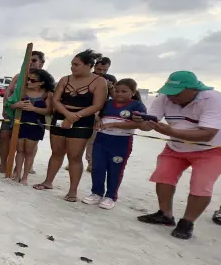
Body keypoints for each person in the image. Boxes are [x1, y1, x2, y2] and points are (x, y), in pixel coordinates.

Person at [137, 71, 221, 240]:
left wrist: (172, 132)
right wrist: (141, 122)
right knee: (163, 176)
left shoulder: (213, 99)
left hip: (211, 149)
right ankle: (165, 215)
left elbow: (207, 134)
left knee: (200, 185)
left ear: (193, 90)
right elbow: (148, 125)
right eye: (169, 91)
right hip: (175, 146)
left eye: (177, 93)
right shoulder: (165, 97)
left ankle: (187, 222)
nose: (171, 96)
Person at [34, 50, 108, 202]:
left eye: (76, 64)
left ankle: (73, 191)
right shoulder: (65, 79)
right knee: (56, 152)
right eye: (72, 64)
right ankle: (48, 182)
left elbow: (98, 105)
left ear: (88, 65)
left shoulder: (99, 82)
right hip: (61, 116)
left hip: (83, 119)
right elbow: (56, 100)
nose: (73, 67)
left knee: (74, 156)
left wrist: (76, 116)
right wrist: (68, 115)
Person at [81, 78, 146, 209]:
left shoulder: (137, 105)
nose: (119, 94)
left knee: (115, 169)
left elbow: (138, 124)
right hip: (101, 140)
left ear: (133, 92)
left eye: (124, 91)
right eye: (117, 91)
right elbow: (99, 116)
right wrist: (98, 121)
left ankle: (110, 196)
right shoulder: (108, 103)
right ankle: (96, 193)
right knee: (97, 167)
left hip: (121, 142)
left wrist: (114, 124)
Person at [0, 51, 46, 174]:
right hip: (12, 111)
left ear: (42, 63)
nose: (31, 63)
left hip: (32, 116)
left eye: (34, 60)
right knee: (4, 136)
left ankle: (23, 168)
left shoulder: (44, 79)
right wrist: (5, 107)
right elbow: (8, 91)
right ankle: (3, 166)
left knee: (29, 142)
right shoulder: (19, 76)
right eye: (29, 60)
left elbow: (48, 99)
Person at [9, 68, 55, 185]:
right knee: (19, 150)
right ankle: (17, 174)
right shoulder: (22, 90)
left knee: (29, 151)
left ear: (41, 82)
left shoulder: (47, 94)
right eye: (28, 79)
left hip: (36, 125)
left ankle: (25, 177)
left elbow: (49, 111)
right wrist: (17, 104)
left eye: (33, 80)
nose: (29, 82)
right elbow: (9, 105)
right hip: (20, 123)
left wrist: (33, 108)